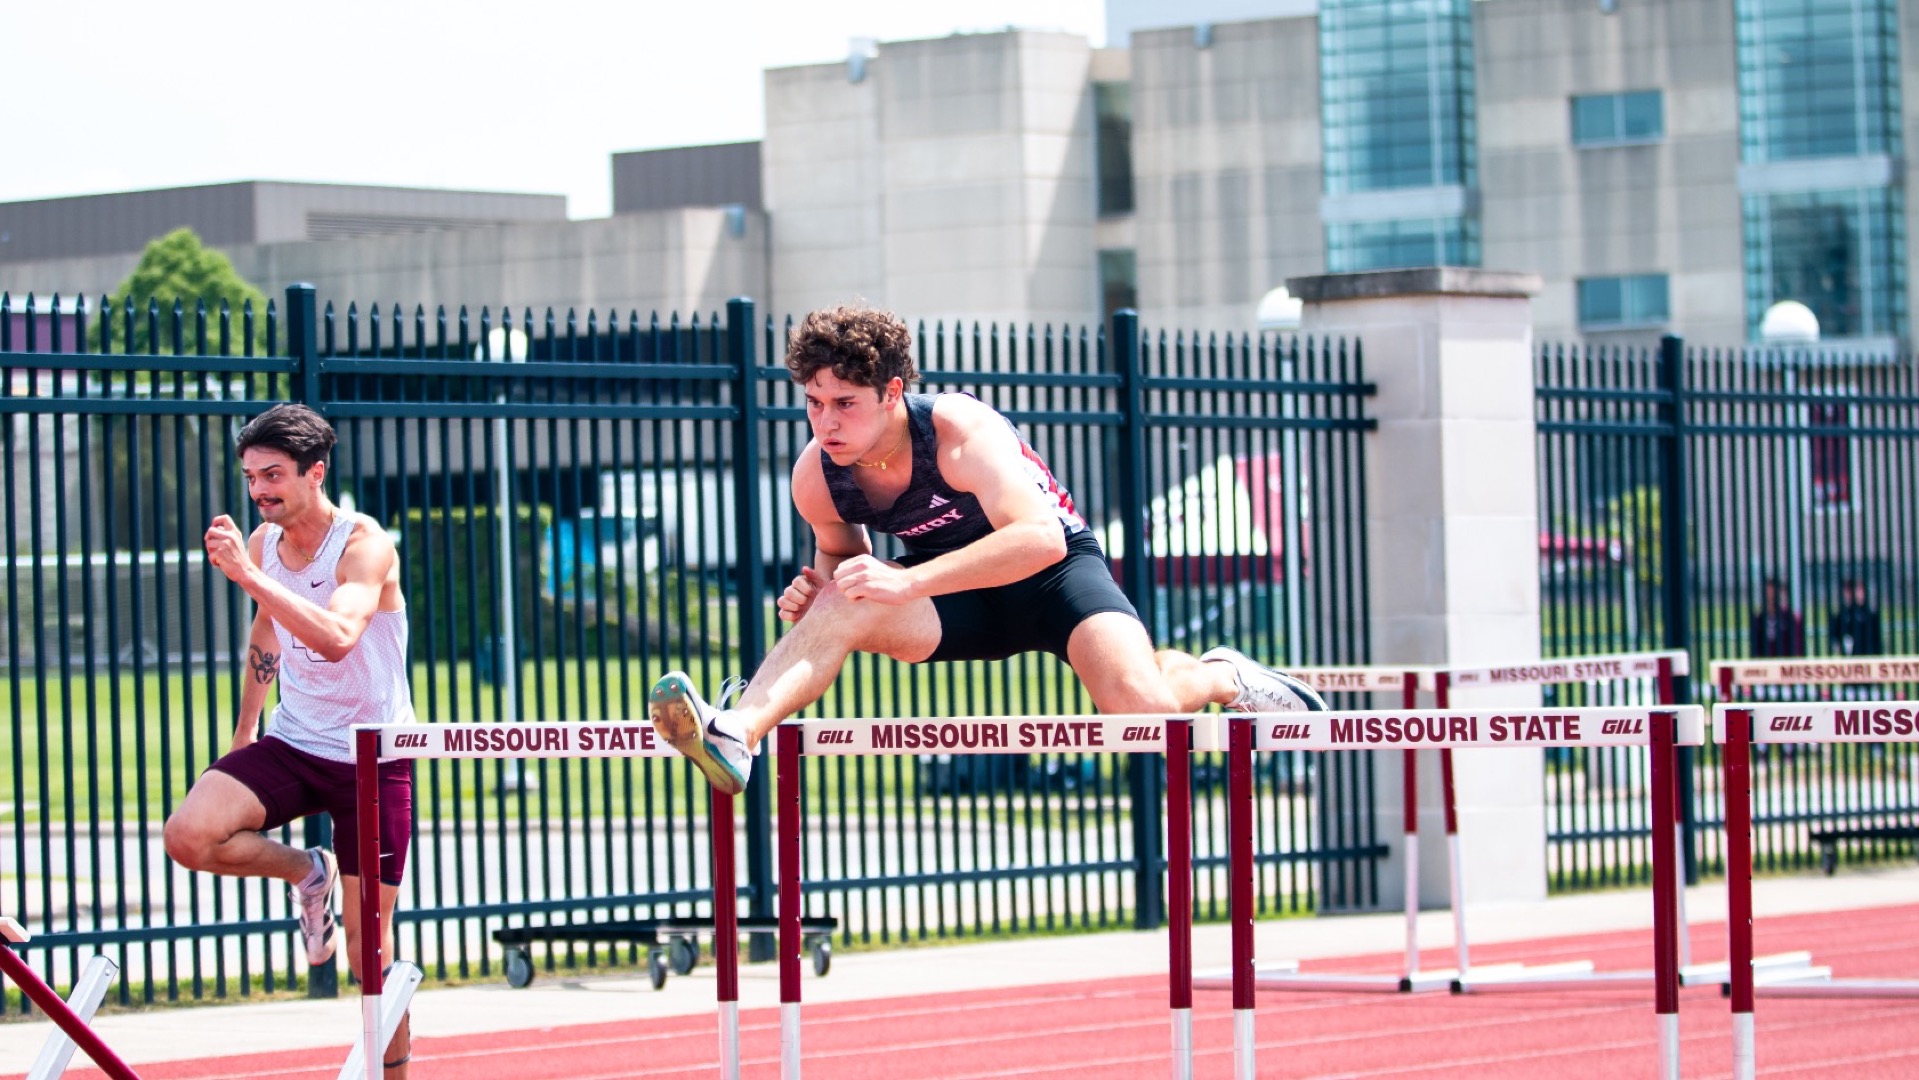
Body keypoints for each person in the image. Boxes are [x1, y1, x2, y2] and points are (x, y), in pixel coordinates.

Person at [648, 304, 1325, 795]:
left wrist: (906, 582)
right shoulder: (815, 476)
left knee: (1143, 714)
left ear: (892, 393)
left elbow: (1038, 538)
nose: (826, 422)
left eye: (844, 403)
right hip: (954, 597)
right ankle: (737, 731)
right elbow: (840, 558)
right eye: (814, 402)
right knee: (843, 598)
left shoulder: (957, 430)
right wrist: (819, 592)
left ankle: (1220, 674)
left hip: (1054, 577)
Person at [161, 403, 416, 1076]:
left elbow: (336, 639)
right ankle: (308, 870)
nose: (259, 491)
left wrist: (250, 578)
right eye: (250, 477)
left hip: (373, 755)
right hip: (296, 740)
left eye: (272, 475)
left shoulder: (364, 545)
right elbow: (266, 632)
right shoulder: (264, 543)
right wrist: (245, 731)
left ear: (315, 472)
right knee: (188, 835)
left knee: (368, 954)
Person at [1750, 575, 1806, 659]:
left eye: (1773, 595)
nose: (1770, 598)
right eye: (1768, 594)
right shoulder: (1758, 620)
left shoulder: (1791, 619)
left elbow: (1798, 648)